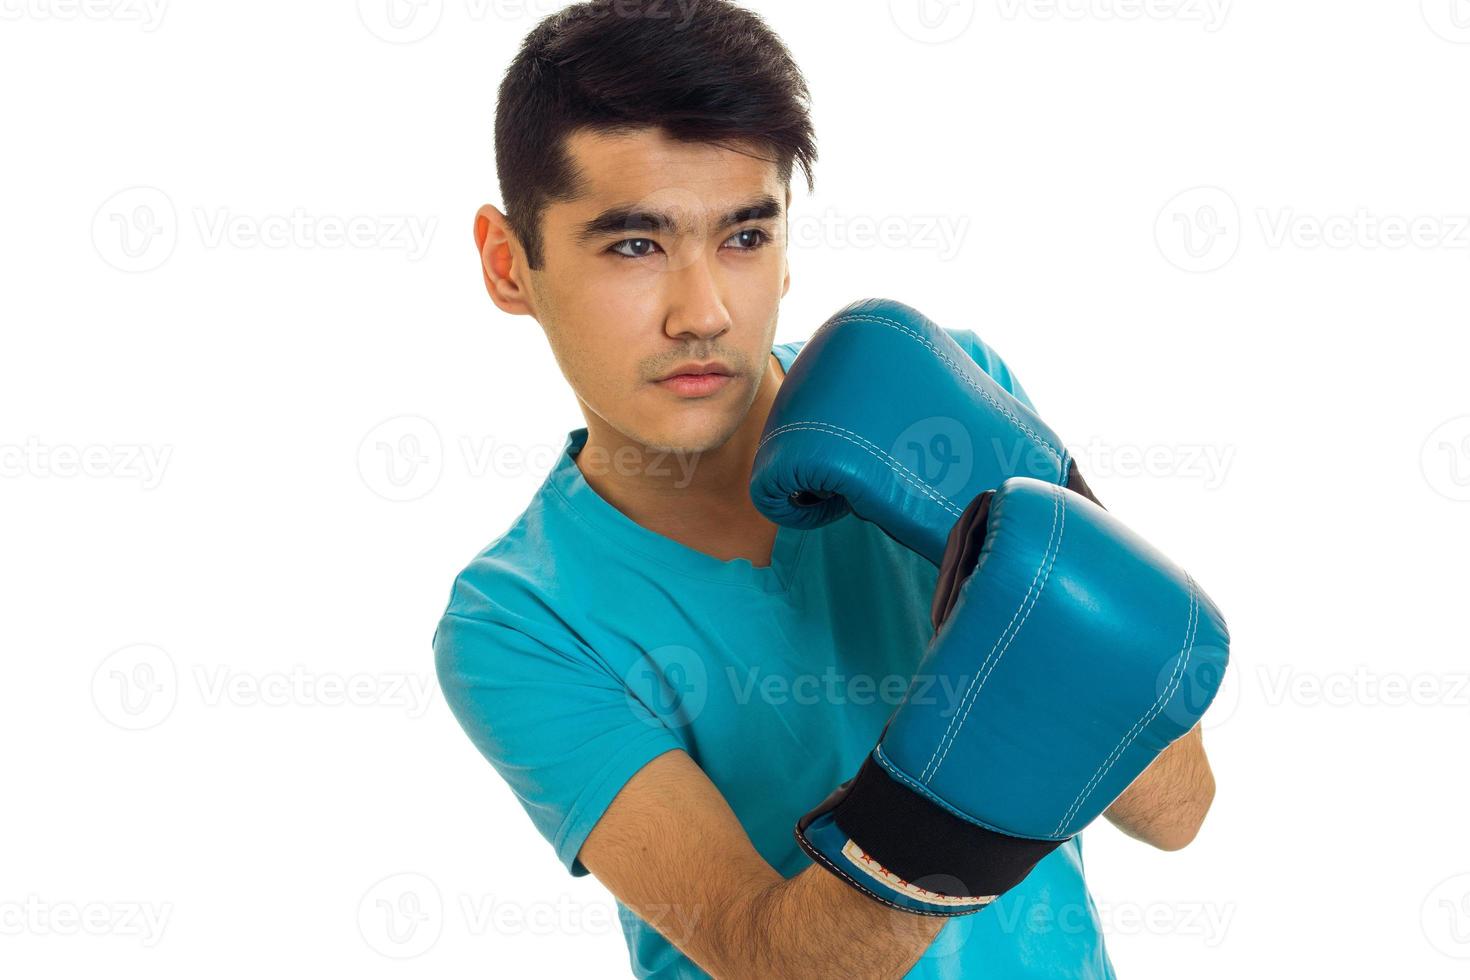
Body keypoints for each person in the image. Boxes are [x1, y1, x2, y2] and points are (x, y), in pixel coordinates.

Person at [433, 2, 1218, 976]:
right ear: (511, 263)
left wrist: (1046, 609)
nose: (703, 311)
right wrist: (971, 768)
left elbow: (1180, 806)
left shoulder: (944, 408)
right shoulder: (519, 619)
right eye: (634, 245)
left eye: (744, 235)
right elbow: (779, 961)